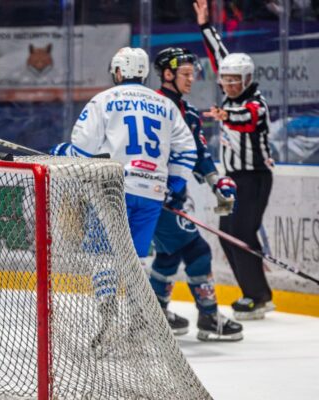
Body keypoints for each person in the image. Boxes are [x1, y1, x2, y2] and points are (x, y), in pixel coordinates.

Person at [51, 47, 197, 260]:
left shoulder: (104, 100)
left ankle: (106, 295)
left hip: (114, 190)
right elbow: (187, 151)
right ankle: (135, 295)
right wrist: (171, 187)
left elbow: (83, 148)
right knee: (137, 262)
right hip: (152, 193)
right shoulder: (166, 105)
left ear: (118, 72)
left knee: (101, 255)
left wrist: (62, 151)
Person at [149, 47, 243, 341]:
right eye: (185, 74)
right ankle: (209, 317)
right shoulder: (153, 107)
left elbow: (200, 155)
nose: (191, 80)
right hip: (153, 198)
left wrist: (218, 183)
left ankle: (156, 316)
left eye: (193, 74)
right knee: (196, 250)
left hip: (166, 199)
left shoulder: (187, 112)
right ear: (167, 74)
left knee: (168, 254)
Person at [195, 0, 276, 320]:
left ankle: (258, 296)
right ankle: (253, 293)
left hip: (254, 178)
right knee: (229, 233)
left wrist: (224, 114)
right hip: (234, 177)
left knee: (242, 233)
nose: (227, 84)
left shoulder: (255, 104)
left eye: (233, 81)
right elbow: (219, 55)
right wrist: (204, 25)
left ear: (246, 80)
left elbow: (245, 118)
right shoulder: (231, 92)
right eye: (225, 80)